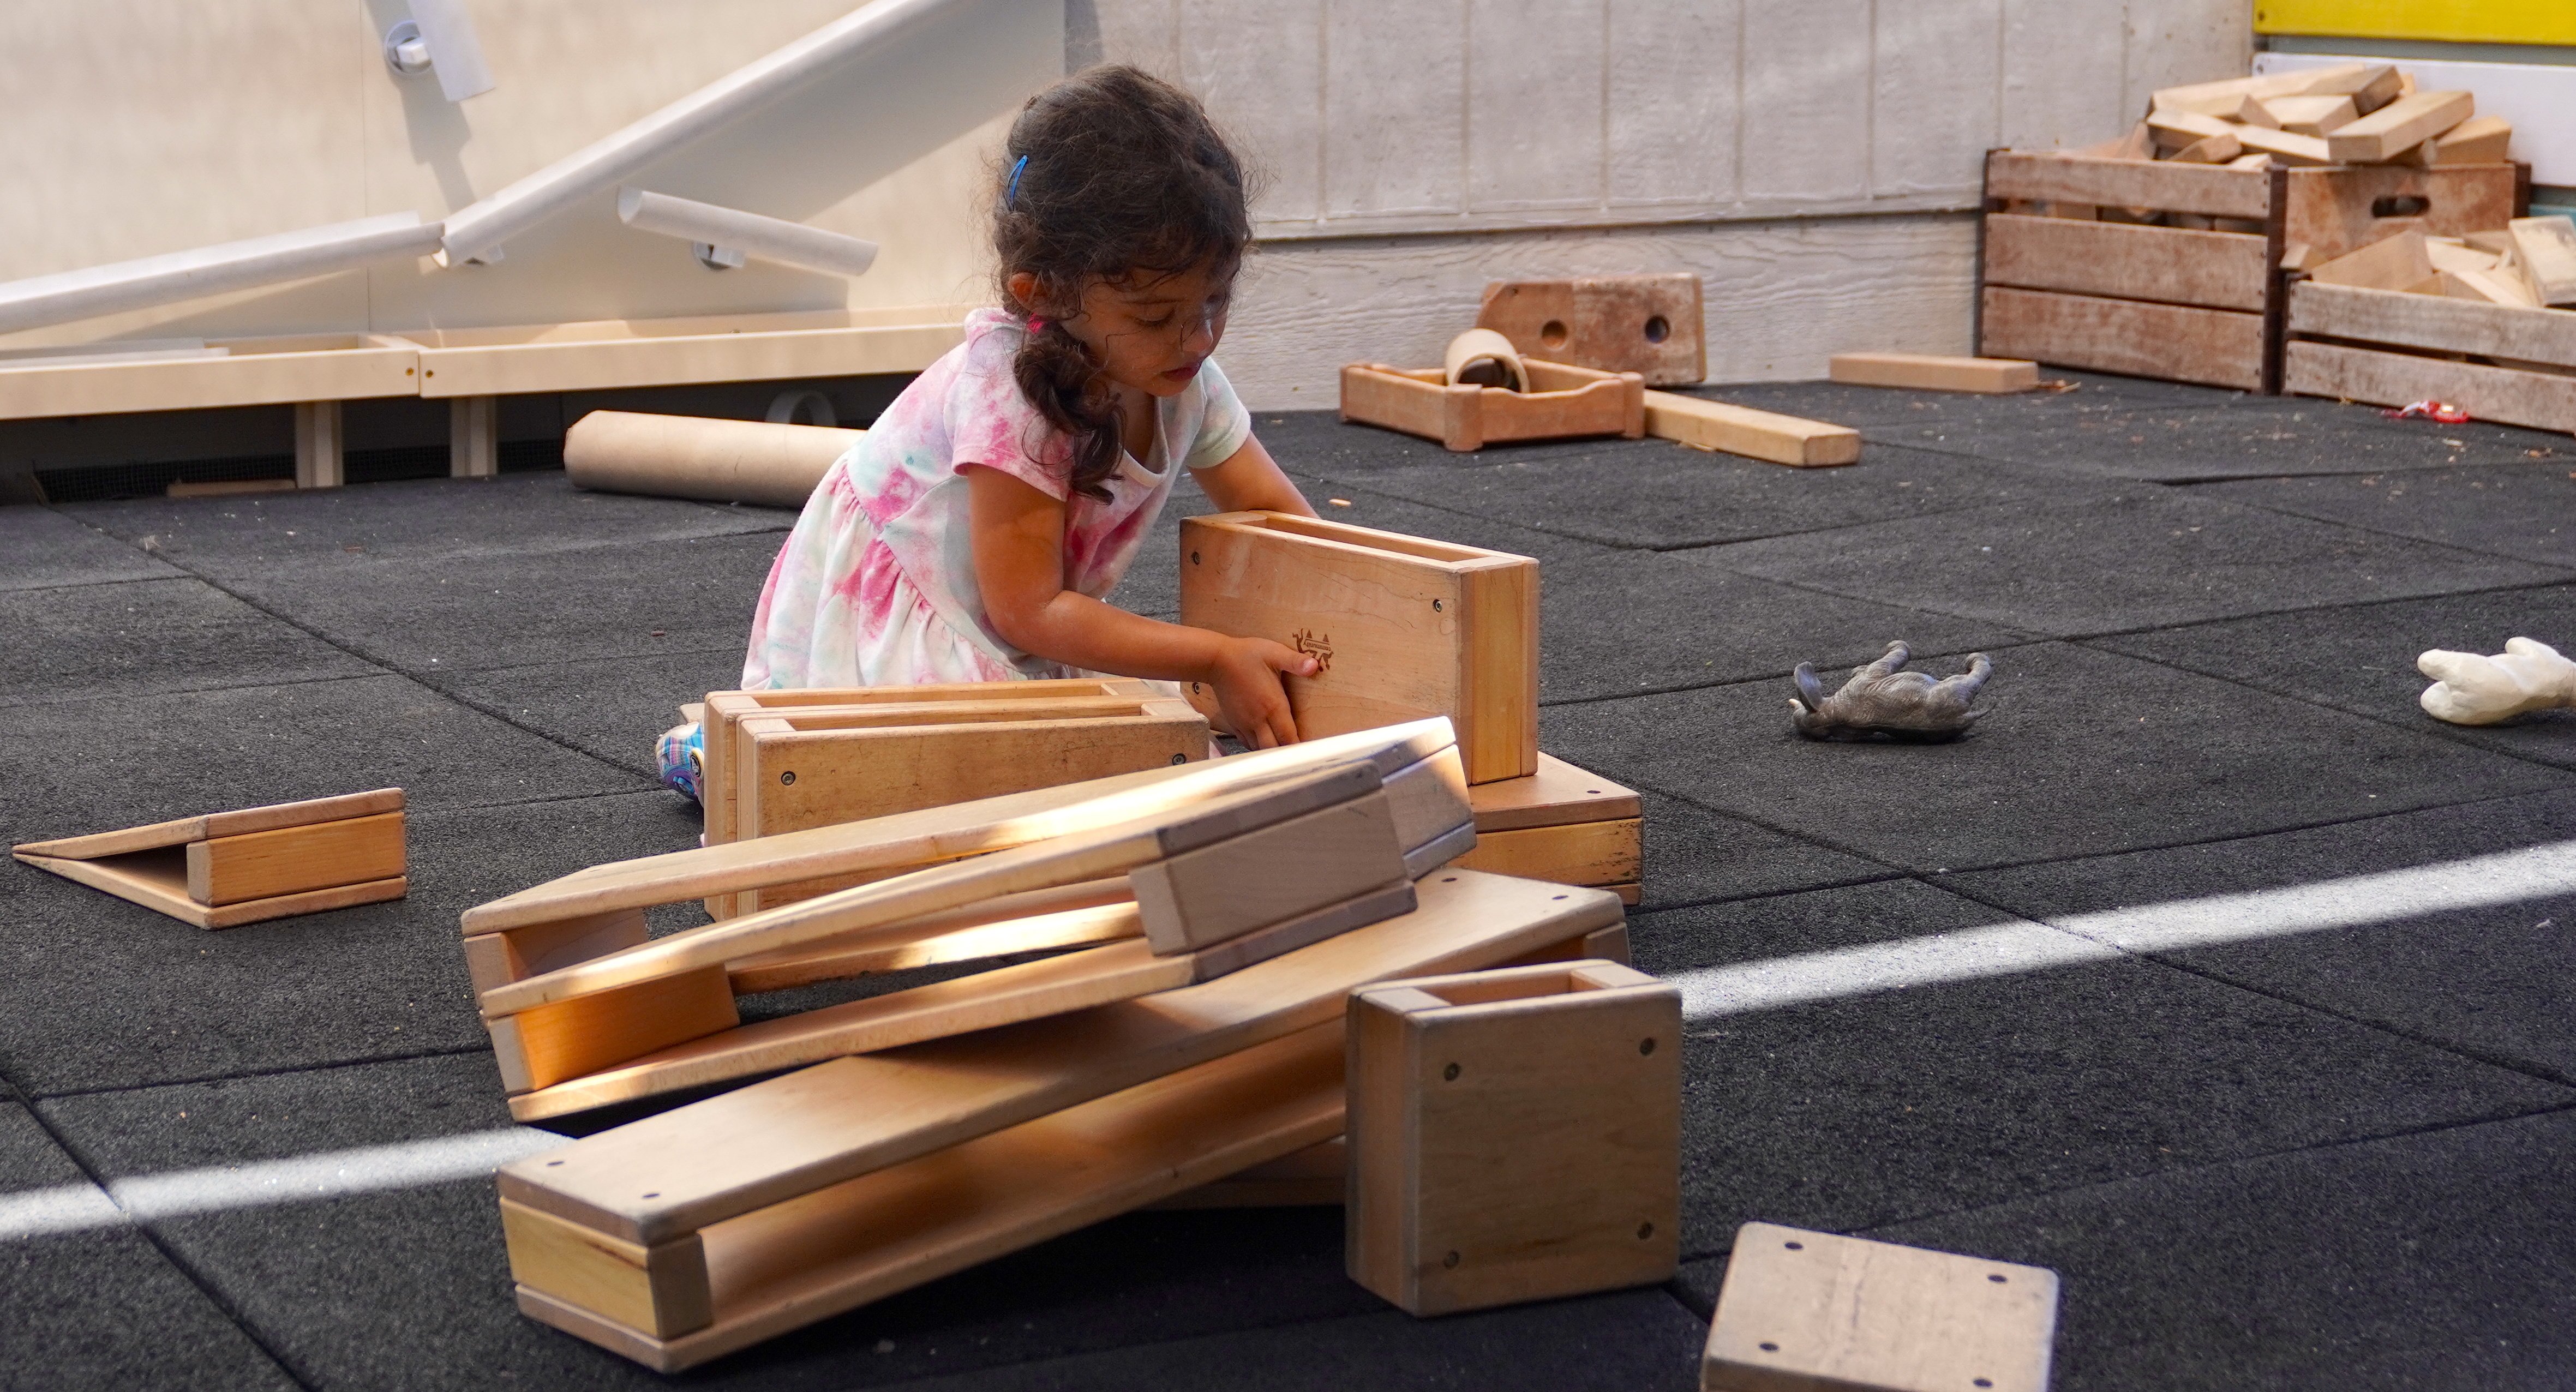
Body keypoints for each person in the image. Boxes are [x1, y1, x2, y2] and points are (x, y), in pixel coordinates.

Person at [657, 66, 1318, 802]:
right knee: (957, 812)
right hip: (918, 628)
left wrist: (1346, 625)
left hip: (1013, 628)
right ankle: (724, 754)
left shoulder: (1181, 376)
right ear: (1047, 293)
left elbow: (1285, 526)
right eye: (1157, 316)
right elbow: (1028, 611)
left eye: (1215, 301)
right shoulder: (1011, 391)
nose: (1197, 339)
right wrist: (1215, 657)